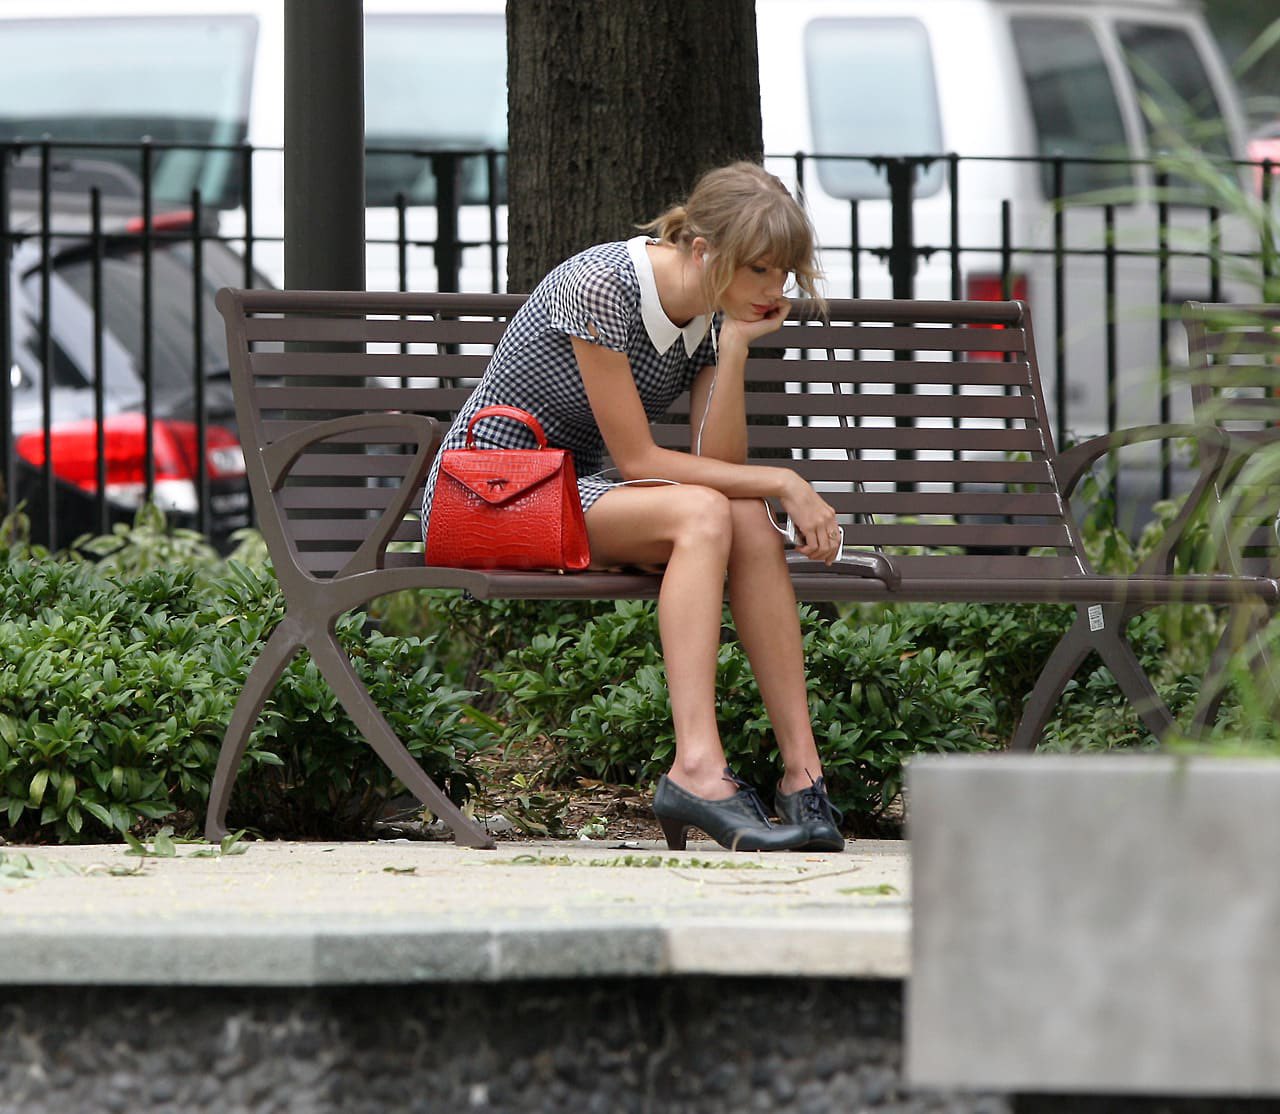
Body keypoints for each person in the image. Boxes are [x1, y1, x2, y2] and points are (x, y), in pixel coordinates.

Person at [422, 161, 845, 853]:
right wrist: (786, 482)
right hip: (489, 492)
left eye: (783, 273)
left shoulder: (713, 313)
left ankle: (803, 775)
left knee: (740, 514)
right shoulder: (602, 286)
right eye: (760, 270)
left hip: (570, 494)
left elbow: (719, 462)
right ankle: (697, 767)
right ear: (704, 250)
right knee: (706, 512)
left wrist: (734, 347)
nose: (775, 290)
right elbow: (642, 460)